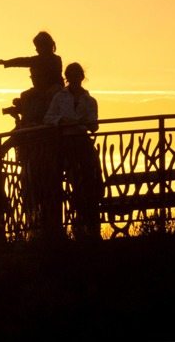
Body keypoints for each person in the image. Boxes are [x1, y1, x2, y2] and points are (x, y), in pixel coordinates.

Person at [44, 62, 103, 239]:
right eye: (71, 76)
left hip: (82, 142)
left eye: (76, 75)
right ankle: (73, 225)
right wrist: (62, 121)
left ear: (81, 77)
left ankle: (89, 224)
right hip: (65, 142)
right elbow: (48, 117)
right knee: (71, 181)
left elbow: (94, 125)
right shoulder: (59, 97)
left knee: (89, 180)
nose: (74, 79)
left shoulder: (89, 100)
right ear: (67, 78)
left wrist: (85, 122)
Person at [0, 31, 64, 127]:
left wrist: (8, 63)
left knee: (52, 93)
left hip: (55, 87)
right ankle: (26, 120)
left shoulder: (55, 59)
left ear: (47, 46)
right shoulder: (37, 60)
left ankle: (48, 117)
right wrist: (7, 63)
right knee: (24, 95)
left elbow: (24, 61)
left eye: (38, 46)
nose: (36, 49)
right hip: (41, 89)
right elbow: (23, 61)